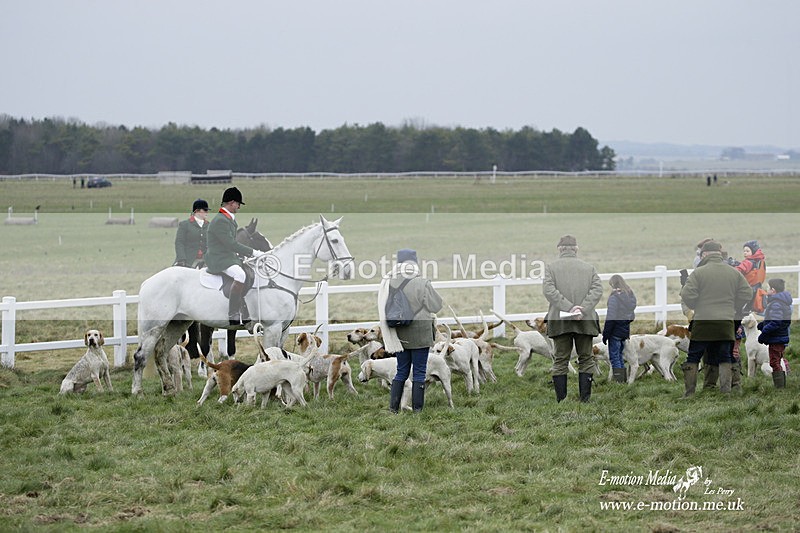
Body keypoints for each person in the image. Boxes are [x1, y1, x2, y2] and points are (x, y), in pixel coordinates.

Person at [679, 240, 752, 397]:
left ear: (705, 254)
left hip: (702, 322)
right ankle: (726, 392)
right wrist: (733, 305)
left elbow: (686, 295)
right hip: (725, 321)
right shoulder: (733, 272)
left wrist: (697, 304)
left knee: (693, 356)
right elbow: (747, 293)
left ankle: (689, 393)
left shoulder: (698, 273)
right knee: (726, 355)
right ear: (719, 254)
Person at [378, 249, 443, 413]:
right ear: (415, 262)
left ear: (398, 263)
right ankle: (417, 411)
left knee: (401, 371)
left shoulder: (389, 282)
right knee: (420, 373)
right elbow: (436, 306)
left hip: (399, 335)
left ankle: (393, 409)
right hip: (421, 334)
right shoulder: (422, 282)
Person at [542, 235, 603, 402]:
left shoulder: (551, 268)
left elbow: (549, 291)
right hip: (585, 319)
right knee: (586, 358)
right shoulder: (589, 268)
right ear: (576, 248)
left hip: (560, 321)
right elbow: (597, 290)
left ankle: (561, 400)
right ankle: (585, 399)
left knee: (560, 359)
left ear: (559, 249)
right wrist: (582, 308)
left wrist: (569, 308)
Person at [205, 187, 265, 330]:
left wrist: (241, 255)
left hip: (227, 256)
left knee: (249, 271)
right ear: (231, 202)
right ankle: (233, 314)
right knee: (240, 275)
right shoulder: (221, 220)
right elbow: (231, 243)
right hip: (218, 259)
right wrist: (254, 253)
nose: (238, 207)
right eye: (238, 204)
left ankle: (244, 310)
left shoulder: (229, 220)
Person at [757, 278, 792, 389]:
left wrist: (764, 333)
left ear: (773, 290)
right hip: (780, 337)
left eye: (768, 287)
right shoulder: (780, 302)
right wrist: (762, 325)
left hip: (777, 338)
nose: (766, 289)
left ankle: (780, 387)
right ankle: (781, 385)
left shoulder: (776, 304)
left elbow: (776, 322)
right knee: (777, 359)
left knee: (774, 362)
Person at [602, 274, 637, 383]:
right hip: (624, 332)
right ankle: (623, 380)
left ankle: (619, 382)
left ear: (613, 284)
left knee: (615, 358)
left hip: (615, 332)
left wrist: (605, 334)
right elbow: (632, 316)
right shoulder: (629, 296)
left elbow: (611, 317)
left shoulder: (614, 298)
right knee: (620, 357)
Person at [174, 199, 209, 268]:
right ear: (197, 211)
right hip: (189, 259)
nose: (207, 212)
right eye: (204, 210)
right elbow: (179, 242)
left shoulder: (209, 225)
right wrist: (181, 258)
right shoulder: (185, 225)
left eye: (207, 210)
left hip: (205, 260)